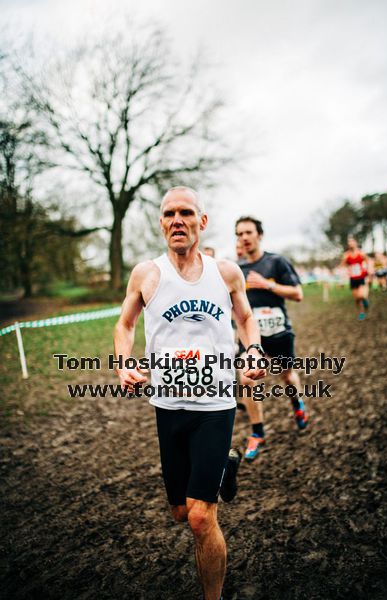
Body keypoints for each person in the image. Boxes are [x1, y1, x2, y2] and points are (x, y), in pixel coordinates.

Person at [114, 187, 265, 600]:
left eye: (185, 212)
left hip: (216, 404)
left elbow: (247, 319)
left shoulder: (227, 272)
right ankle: (226, 466)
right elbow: (125, 325)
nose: (176, 220)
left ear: (202, 221)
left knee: (201, 518)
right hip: (168, 405)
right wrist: (124, 361)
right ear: (161, 223)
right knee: (181, 511)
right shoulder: (147, 274)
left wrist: (252, 350)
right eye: (168, 214)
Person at [235, 216, 308, 462]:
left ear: (259, 235)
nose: (243, 238)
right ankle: (258, 432)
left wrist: (268, 285)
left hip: (279, 333)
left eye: (247, 232)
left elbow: (298, 294)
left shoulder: (276, 262)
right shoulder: (238, 271)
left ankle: (297, 404)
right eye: (239, 234)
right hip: (252, 337)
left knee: (287, 376)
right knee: (245, 377)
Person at [341, 237, 369, 320]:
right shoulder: (346, 255)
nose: (350, 243)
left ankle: (365, 302)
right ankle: (361, 313)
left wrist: (367, 270)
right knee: (356, 299)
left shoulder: (361, 253)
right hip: (352, 278)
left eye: (352, 241)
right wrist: (343, 278)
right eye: (349, 242)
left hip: (361, 277)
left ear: (355, 243)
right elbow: (343, 266)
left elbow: (368, 261)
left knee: (361, 295)